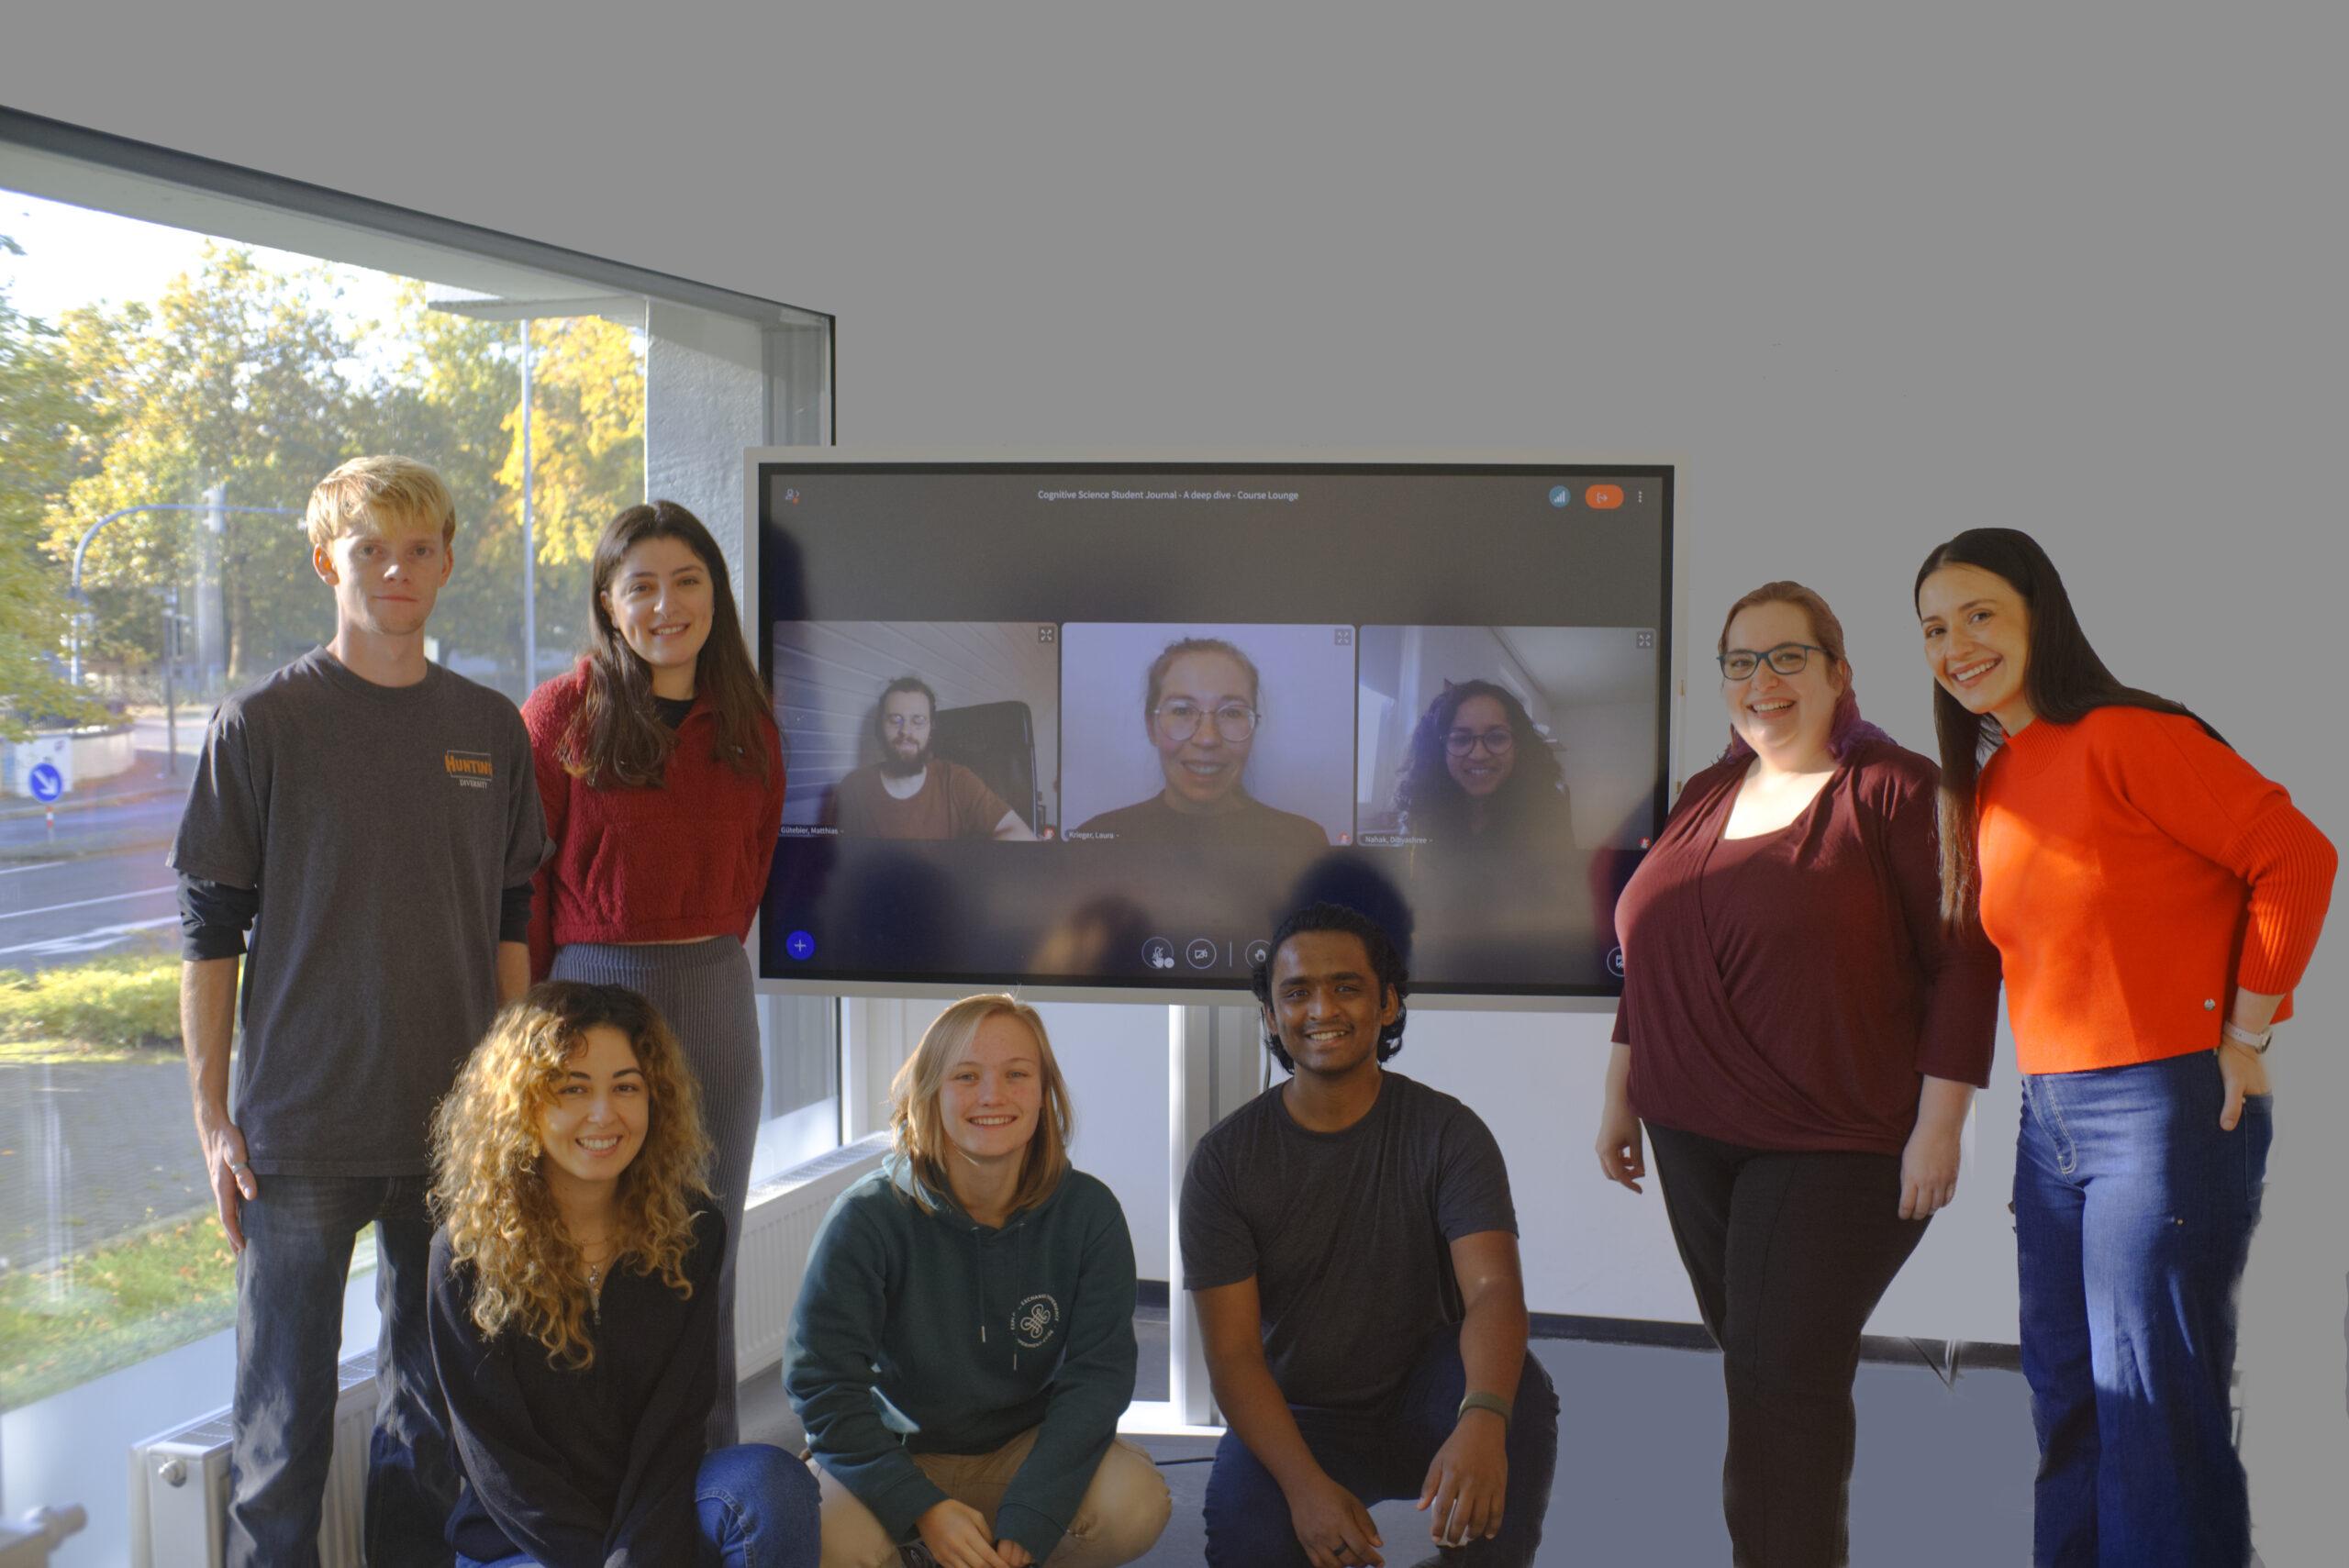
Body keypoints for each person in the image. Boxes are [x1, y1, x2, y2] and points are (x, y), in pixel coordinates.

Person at [1914, 529, 2336, 1567]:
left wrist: (2244, 1028)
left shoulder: (2124, 734)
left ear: (2037, 616)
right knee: (2068, 1389)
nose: (1955, 643)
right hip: (2049, 1116)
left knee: (2149, 1400)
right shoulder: (1997, 780)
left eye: (1979, 614)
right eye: (1932, 626)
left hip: (2160, 1106)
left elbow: (2295, 855)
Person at [170, 454, 543, 1566]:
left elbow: (511, 922)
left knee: (433, 1433)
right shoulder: (262, 722)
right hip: (299, 1135)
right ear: (328, 559)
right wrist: (211, 1115)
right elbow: (207, 931)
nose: (396, 568)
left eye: (419, 547)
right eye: (370, 547)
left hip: (453, 1133)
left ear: (445, 563)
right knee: (279, 1440)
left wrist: (512, 1094)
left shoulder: (491, 725)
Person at [1594, 580, 2000, 1567]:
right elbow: (1652, 954)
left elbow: (1964, 956)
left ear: (1837, 672)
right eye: (1742, 660)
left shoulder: (1899, 790)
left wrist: (1941, 1123)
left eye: (1786, 656)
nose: (1761, 679)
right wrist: (1620, 1091)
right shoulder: (1702, 794)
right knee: (1762, 1373)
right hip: (1691, 1130)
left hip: (1835, 1138)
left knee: (1784, 1380)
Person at [1183, 902, 1559, 1567]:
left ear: (1387, 1003)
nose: (1321, 1008)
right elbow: (1235, 1353)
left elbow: (1495, 1290)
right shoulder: (1223, 1160)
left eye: (1346, 986)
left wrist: (1482, 1416)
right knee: (1252, 1546)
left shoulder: (1448, 1132)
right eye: (1296, 992)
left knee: (1517, 1394)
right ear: (1271, 1017)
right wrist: (1303, 1488)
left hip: (1426, 1397)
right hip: (1298, 1414)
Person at [522, 499, 784, 1447]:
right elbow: (525, 884)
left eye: (688, 581)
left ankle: (702, 1477)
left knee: (701, 1255)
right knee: (591, 1251)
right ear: (608, 601)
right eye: (643, 586)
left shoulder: (751, 723)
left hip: (714, 997)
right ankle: (588, 1480)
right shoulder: (561, 713)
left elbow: (749, 871)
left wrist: (697, 945)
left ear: (715, 593)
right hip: (590, 1004)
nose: (667, 604)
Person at [428, 981, 820, 1566]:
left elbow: (677, 1424)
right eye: (573, 1088)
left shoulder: (691, 1229)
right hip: (525, 1540)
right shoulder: (467, 1253)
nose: (604, 1114)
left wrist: (638, 1555)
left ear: (653, 1098)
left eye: (627, 1087)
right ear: (524, 1103)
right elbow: (500, 1462)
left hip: (658, 1509)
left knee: (774, 1483)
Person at [786, 995, 1171, 1568]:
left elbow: (1098, 1377)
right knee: (827, 1540)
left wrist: (1034, 1514)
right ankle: (925, 1546)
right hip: (896, 1453)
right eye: (966, 1076)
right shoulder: (865, 1218)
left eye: (1017, 1075)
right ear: (930, 1094)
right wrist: (921, 1507)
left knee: (1135, 1504)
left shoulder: (1089, 1212)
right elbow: (822, 1384)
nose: (992, 1095)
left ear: (1045, 1094)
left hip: (1022, 1449)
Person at [1073, 636, 1328, 851]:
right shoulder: (1093, 841)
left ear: (1253, 728)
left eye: (1231, 713)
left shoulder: (1305, 842)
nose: (1207, 738)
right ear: (1152, 727)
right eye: (1183, 711)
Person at [826, 675, 1035, 840]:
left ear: (931, 728)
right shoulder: (853, 788)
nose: (905, 731)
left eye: (918, 720)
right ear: (880, 727)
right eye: (895, 719)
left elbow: (1018, 832)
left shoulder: (957, 780)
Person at [1391, 679, 1574, 848]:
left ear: (1519, 746)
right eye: (1461, 739)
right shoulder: (1420, 814)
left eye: (1497, 737)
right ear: (1440, 750)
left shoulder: (1547, 811)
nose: (1479, 755)